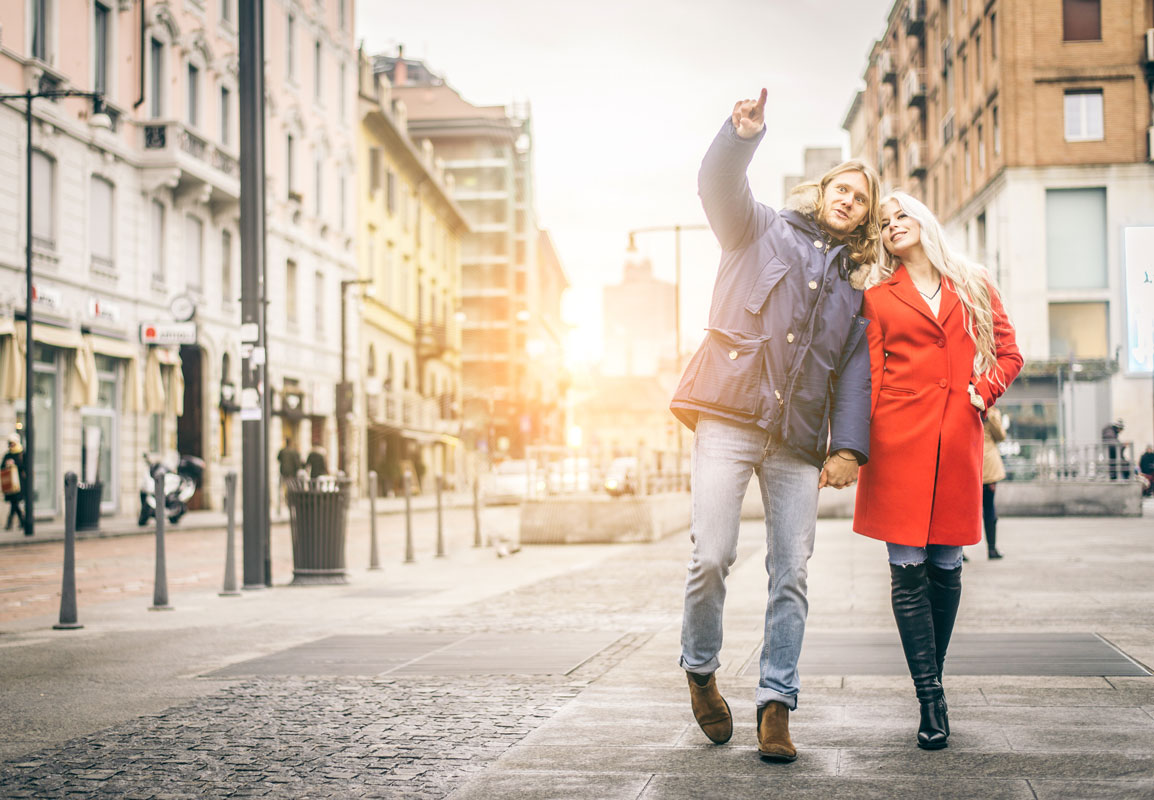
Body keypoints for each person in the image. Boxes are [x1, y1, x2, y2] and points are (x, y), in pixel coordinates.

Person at [669, 89, 878, 763]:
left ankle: (775, 706)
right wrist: (740, 136)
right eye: (841, 188)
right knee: (712, 554)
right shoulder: (758, 228)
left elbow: (853, 375)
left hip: (796, 442)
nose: (848, 200)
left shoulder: (853, 289)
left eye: (861, 197)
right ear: (822, 192)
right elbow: (716, 185)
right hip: (728, 418)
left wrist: (847, 448)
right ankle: (701, 671)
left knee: (792, 573)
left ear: (865, 215)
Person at [853, 192, 1023, 750]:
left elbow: (1008, 352)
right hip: (896, 442)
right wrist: (852, 445)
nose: (893, 225)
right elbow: (869, 377)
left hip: (956, 440)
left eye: (902, 215)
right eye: (884, 223)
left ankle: (933, 682)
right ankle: (931, 697)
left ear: (924, 220)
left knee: (947, 562)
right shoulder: (877, 298)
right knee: (907, 566)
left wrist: (983, 393)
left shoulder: (972, 283)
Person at [981, 407, 1007, 559]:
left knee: (963, 510)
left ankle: (958, 551)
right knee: (989, 507)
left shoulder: (966, 405)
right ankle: (991, 549)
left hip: (968, 462)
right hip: (989, 466)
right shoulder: (990, 412)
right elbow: (1001, 435)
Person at [3, 433, 26, 534]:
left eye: (12, 444)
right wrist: (7, 465)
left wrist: (15, 464)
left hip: (19, 483)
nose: (11, 446)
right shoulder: (7, 455)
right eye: (10, 444)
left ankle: (12, 523)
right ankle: (22, 522)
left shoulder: (22, 454)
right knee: (14, 503)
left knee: (15, 502)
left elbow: (25, 467)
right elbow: (2, 467)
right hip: (10, 483)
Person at [276, 438, 302, 507]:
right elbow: (297, 463)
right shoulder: (294, 451)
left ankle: (281, 504)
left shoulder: (282, 451)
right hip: (291, 473)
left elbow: (278, 459)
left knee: (281, 488)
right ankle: (290, 502)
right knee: (290, 488)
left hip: (283, 472)